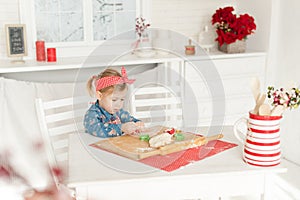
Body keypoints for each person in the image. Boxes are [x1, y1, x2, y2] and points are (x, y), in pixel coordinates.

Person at [84, 67, 144, 138]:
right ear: (100, 96)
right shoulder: (92, 114)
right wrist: (121, 127)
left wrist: (136, 123)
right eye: (114, 100)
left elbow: (128, 118)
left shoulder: (118, 112)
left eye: (122, 99)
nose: (119, 104)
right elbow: (99, 130)